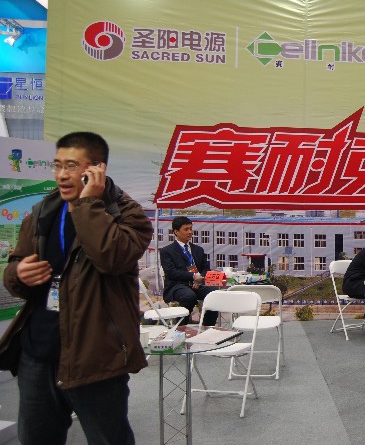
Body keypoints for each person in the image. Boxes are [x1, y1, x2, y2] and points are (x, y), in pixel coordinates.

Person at [1, 132, 152, 444]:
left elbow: (111, 258)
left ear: (97, 168)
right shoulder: (43, 212)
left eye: (71, 166)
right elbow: (15, 269)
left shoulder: (127, 214)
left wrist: (87, 203)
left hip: (96, 357)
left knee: (108, 439)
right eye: (57, 165)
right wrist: (18, 273)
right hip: (38, 353)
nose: (60, 175)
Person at [160, 216, 218, 326]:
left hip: (198, 284)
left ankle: (207, 327)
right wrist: (192, 277)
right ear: (176, 232)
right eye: (186, 229)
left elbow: (206, 269)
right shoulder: (166, 251)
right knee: (189, 296)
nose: (190, 232)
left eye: (191, 229)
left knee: (214, 294)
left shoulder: (198, 250)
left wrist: (199, 280)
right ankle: (181, 328)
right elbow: (171, 272)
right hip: (177, 285)